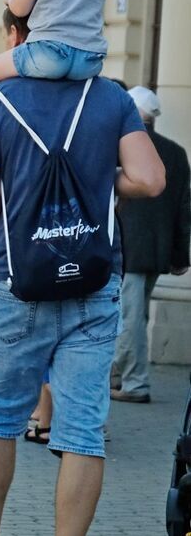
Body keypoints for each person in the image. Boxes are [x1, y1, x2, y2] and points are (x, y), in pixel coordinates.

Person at [0, 31, 165, 536]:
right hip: (95, 283)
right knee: (83, 430)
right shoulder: (112, 99)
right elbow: (149, 180)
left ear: (19, 40)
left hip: (19, 284)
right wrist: (101, 185)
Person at [109, 86, 191, 404]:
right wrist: (179, 255)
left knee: (128, 318)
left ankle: (134, 383)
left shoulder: (121, 147)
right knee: (136, 316)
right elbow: (184, 210)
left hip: (128, 247)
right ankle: (124, 376)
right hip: (156, 251)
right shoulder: (176, 152)